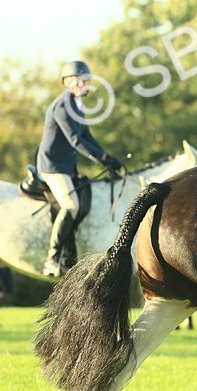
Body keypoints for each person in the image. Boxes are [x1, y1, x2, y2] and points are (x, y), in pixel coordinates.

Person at [37, 60, 123, 277]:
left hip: (67, 166)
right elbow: (75, 140)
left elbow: (87, 136)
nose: (85, 84)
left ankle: (70, 255)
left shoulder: (76, 105)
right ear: (69, 81)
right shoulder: (62, 106)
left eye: (87, 81)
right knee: (71, 205)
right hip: (53, 166)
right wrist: (102, 157)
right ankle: (52, 258)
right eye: (81, 80)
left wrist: (107, 158)